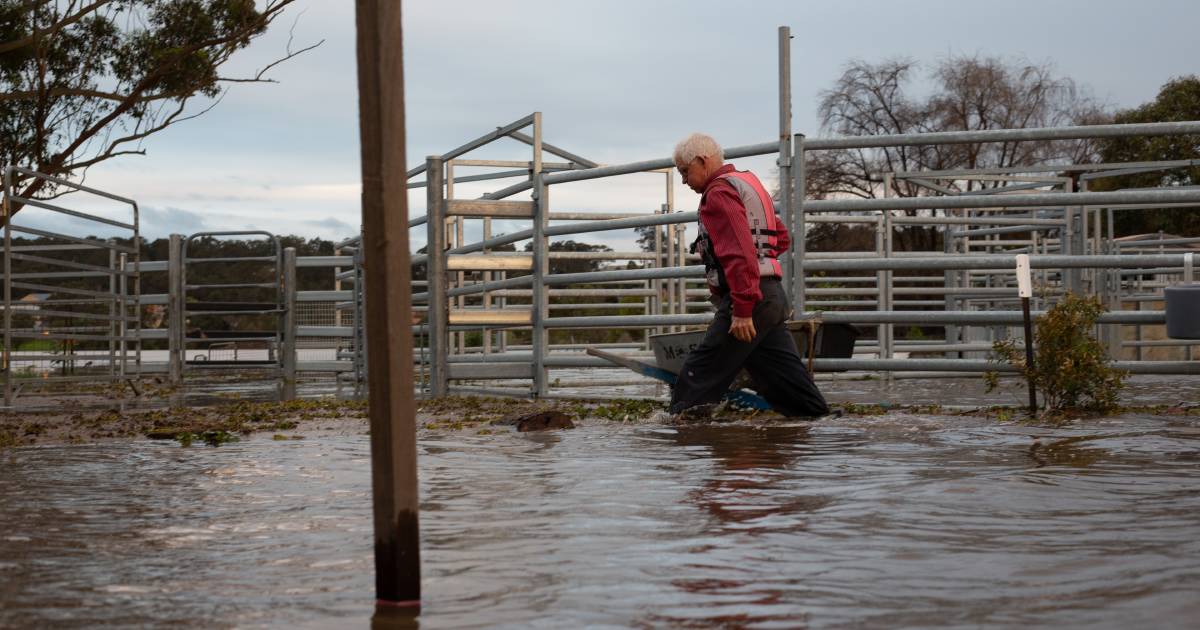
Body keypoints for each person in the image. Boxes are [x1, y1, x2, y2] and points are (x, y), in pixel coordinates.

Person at [669, 132, 829, 418]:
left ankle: (682, 440)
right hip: (769, 297)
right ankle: (826, 428)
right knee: (788, 382)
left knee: (700, 372)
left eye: (684, 172)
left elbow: (740, 252)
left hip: (750, 301)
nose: (684, 180)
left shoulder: (718, 194)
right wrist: (761, 264)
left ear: (703, 162)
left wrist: (742, 308)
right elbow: (780, 237)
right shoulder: (748, 184)